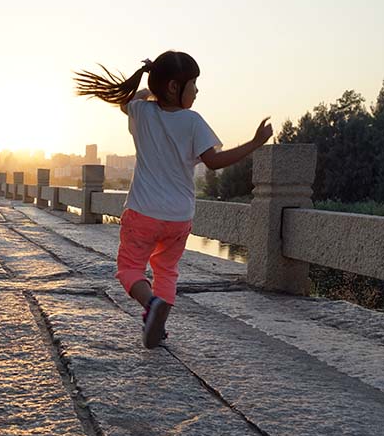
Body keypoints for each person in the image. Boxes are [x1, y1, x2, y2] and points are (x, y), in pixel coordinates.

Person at [74, 51, 272, 348]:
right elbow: (215, 162)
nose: (197, 91)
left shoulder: (141, 112)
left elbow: (127, 99)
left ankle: (151, 305)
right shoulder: (194, 122)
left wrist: (151, 83)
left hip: (142, 212)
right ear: (173, 87)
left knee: (129, 269)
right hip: (179, 217)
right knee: (167, 270)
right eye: (193, 85)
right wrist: (255, 144)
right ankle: (159, 323)